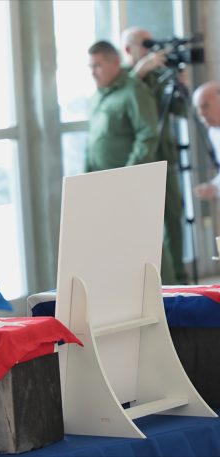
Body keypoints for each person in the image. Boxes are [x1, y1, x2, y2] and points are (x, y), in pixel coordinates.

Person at [86, 40, 176, 283]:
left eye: (97, 65)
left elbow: (147, 135)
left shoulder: (134, 90)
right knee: (118, 244)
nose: (93, 72)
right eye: (90, 66)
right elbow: (93, 140)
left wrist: (129, 174)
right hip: (103, 184)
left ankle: (167, 296)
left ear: (115, 62)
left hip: (129, 182)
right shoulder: (99, 97)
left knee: (147, 243)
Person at [122, 27, 189, 284]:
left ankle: (181, 280)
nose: (151, 50)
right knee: (145, 224)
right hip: (140, 161)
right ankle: (158, 283)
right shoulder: (126, 78)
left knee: (173, 216)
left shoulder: (160, 77)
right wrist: (142, 70)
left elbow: (181, 111)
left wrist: (182, 85)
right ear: (129, 49)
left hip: (165, 157)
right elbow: (124, 100)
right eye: (145, 44)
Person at [192, 82, 220, 199]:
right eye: (198, 109)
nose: (201, 113)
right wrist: (214, 187)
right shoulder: (213, 132)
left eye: (205, 106)